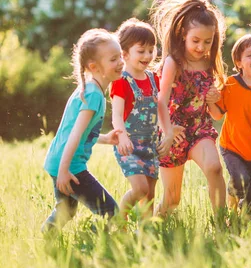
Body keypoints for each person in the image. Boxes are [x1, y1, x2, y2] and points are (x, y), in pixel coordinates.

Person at [151, 0, 227, 217]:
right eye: (195, 40)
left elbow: (217, 116)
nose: (201, 47)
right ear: (183, 34)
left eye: (207, 41)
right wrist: (167, 132)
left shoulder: (209, 65)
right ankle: (150, 227)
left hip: (199, 129)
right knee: (172, 200)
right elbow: (161, 102)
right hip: (173, 130)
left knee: (214, 168)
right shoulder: (174, 62)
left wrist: (214, 101)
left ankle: (222, 224)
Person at [42, 29, 124, 232]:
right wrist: (64, 170)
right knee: (110, 212)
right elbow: (74, 134)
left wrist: (105, 138)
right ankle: (96, 241)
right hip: (70, 166)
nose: (121, 62)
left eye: (121, 56)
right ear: (94, 67)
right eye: (114, 59)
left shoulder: (89, 89)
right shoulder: (93, 95)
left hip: (59, 161)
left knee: (66, 211)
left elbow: (82, 132)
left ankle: (47, 235)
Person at [110, 19, 174, 220]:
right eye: (141, 51)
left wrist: (168, 133)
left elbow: (161, 108)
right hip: (128, 146)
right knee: (139, 189)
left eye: (151, 50)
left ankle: (144, 234)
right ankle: (119, 220)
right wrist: (122, 137)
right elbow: (117, 115)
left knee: (150, 194)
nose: (147, 55)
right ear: (125, 53)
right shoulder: (121, 80)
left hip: (150, 145)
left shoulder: (154, 78)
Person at [207, 33, 251, 214]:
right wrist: (210, 99)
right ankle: (231, 208)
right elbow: (217, 115)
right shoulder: (231, 84)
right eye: (250, 55)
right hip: (232, 147)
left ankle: (242, 227)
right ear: (239, 62)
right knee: (240, 181)